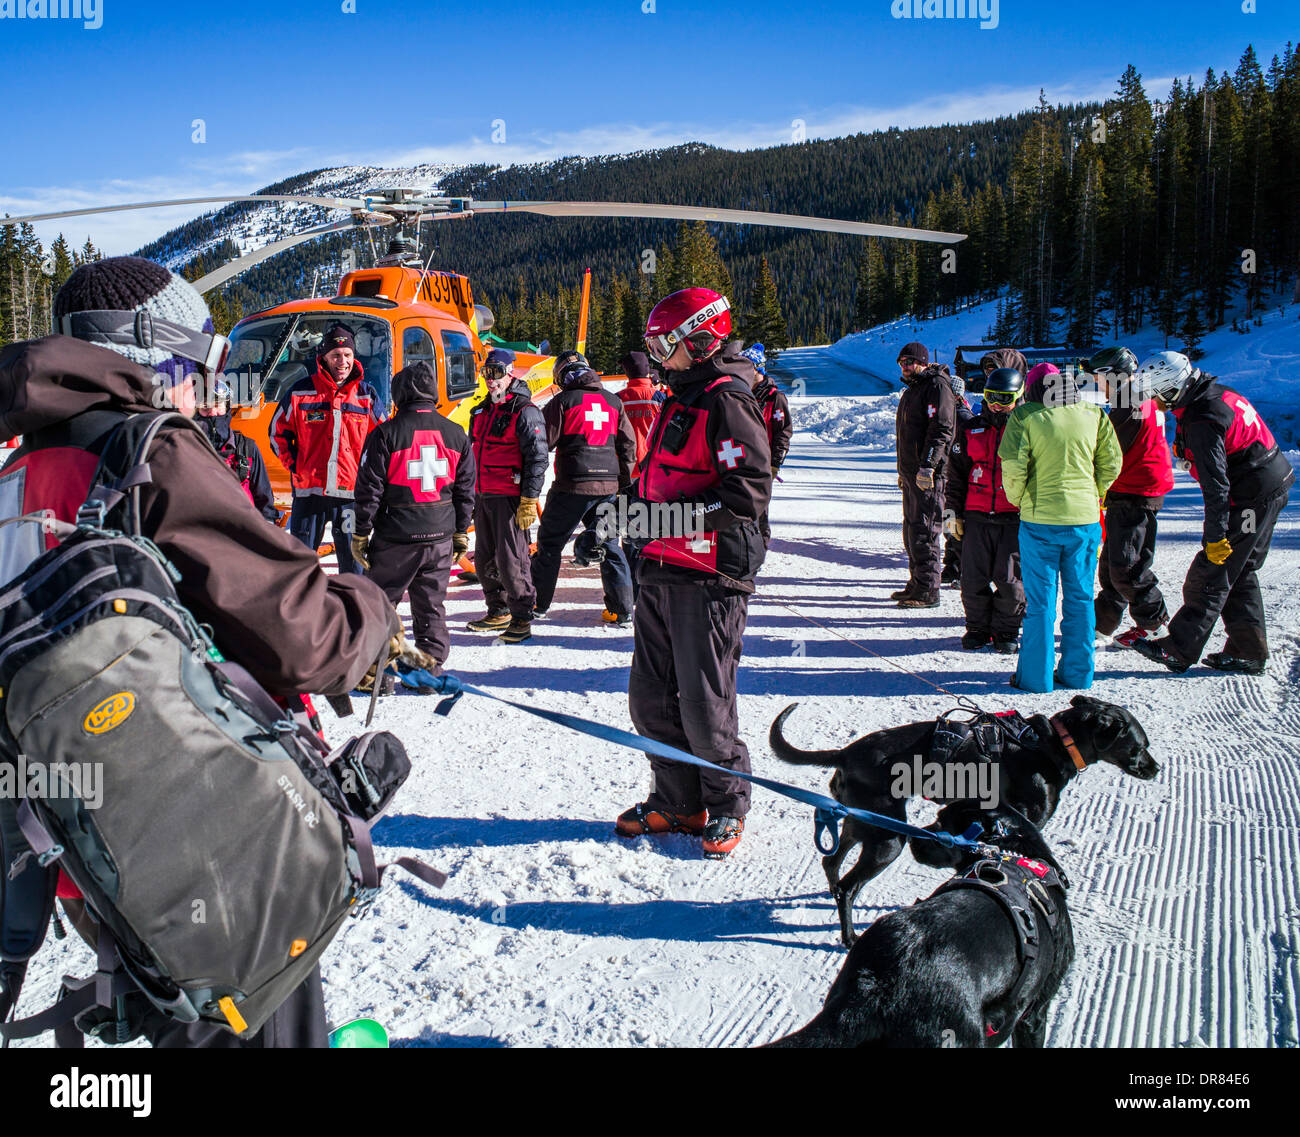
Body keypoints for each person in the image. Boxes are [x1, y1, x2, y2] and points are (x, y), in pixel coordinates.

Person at [0, 256, 400, 1047]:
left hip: (82, 846)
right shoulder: (154, 450)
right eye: (204, 363)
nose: (206, 389)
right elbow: (307, 634)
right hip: (207, 834)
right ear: (161, 355)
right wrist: (373, 606)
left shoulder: (15, 472)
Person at [618, 287, 771, 859]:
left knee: (704, 704)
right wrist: (622, 512)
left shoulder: (727, 400)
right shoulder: (681, 395)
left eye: (667, 345)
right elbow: (661, 476)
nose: (658, 356)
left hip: (709, 573)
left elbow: (746, 492)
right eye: (653, 346)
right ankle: (678, 801)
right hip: (662, 564)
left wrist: (665, 519)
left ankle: (727, 802)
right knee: (650, 698)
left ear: (703, 341)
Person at [1131, 351, 1295, 675]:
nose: (1153, 402)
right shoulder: (1212, 394)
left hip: (1252, 495)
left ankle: (1178, 649)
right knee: (1240, 570)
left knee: (1211, 571)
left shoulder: (1203, 419)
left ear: (1170, 389)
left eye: (1155, 394)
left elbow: (1216, 487)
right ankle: (1248, 652)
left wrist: (1216, 537)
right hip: (1268, 483)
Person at [998, 362, 1122, 692]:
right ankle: (1078, 674)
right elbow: (1112, 463)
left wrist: (1020, 499)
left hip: (1040, 521)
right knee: (1081, 599)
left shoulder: (1025, 417)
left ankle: (1035, 679)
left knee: (1040, 604)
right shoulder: (1094, 414)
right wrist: (1093, 493)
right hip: (1085, 521)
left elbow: (1012, 467)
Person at [351, 360, 475, 675]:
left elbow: (369, 490)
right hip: (439, 537)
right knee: (431, 605)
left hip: (396, 538)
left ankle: (371, 670)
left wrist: (360, 533)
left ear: (398, 393)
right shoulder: (456, 434)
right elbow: (465, 489)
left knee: (380, 604)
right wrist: (461, 530)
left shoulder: (385, 434)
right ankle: (428, 668)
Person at [531, 350, 637, 633]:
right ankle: (623, 609)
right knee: (610, 546)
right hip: (608, 487)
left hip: (571, 485)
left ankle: (537, 604)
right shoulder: (614, 402)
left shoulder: (562, 401)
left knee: (551, 544)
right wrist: (622, 481)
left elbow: (544, 441)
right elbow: (628, 446)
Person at [271, 323, 384, 574]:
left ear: (354, 358)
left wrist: (370, 476)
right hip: (309, 495)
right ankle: (301, 611)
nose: (342, 361)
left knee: (353, 564)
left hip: (350, 497)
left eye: (347, 355)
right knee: (300, 566)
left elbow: (384, 441)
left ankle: (352, 611)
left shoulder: (366, 397)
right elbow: (276, 433)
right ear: (323, 358)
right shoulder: (301, 392)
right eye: (335, 355)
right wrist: (295, 465)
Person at [1085, 346, 1174, 648]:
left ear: (1111, 376)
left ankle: (1155, 623)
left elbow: (1107, 452)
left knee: (1125, 566)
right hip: (1136, 489)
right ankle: (1102, 626)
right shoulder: (1137, 394)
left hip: (1135, 492)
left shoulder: (1129, 399)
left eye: (1097, 377)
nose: (1096, 384)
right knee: (1114, 563)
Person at [465, 348, 548, 639]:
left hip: (510, 498)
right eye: (487, 373)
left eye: (497, 373)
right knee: (485, 557)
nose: (491, 380)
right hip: (483, 494)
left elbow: (538, 459)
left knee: (512, 559)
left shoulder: (526, 411)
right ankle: (497, 610)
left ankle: (522, 616)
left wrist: (528, 499)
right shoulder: (481, 411)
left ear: (510, 373)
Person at [944, 366, 1025, 653]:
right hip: (976, 514)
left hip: (1012, 517)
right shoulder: (972, 428)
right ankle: (977, 627)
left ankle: (1006, 630)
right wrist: (952, 512)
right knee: (973, 577)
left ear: (1019, 396)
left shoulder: (1025, 429)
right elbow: (956, 475)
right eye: (992, 396)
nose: (996, 404)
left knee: (1009, 579)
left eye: (1005, 398)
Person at [892, 341, 957, 608]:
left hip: (928, 474)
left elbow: (941, 430)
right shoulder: (915, 389)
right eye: (901, 363)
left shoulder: (937, 386)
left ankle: (929, 590)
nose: (905, 367)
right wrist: (903, 471)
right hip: (911, 473)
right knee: (911, 529)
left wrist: (928, 466)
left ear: (923, 361)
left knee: (926, 529)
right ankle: (917, 582)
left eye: (909, 362)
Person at [196, 377, 280, 523]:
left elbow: (265, 501)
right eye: (205, 407)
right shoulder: (186, 447)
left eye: (217, 405)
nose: (213, 412)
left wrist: (268, 528)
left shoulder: (246, 448)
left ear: (227, 407)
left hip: (242, 532)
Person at [743, 342, 792, 546]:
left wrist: (775, 463)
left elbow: (783, 432)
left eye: (747, 367)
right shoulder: (741, 394)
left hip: (763, 465)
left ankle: (760, 546)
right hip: (741, 462)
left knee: (760, 510)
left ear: (758, 369)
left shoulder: (775, 398)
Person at [941, 368, 977, 584]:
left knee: (954, 523)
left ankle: (957, 566)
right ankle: (952, 565)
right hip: (950, 474)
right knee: (950, 522)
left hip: (955, 475)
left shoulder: (961, 416)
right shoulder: (957, 413)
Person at [616, 350, 660, 462]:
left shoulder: (617, 399)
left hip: (626, 464)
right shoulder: (660, 398)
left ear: (627, 372)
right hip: (653, 462)